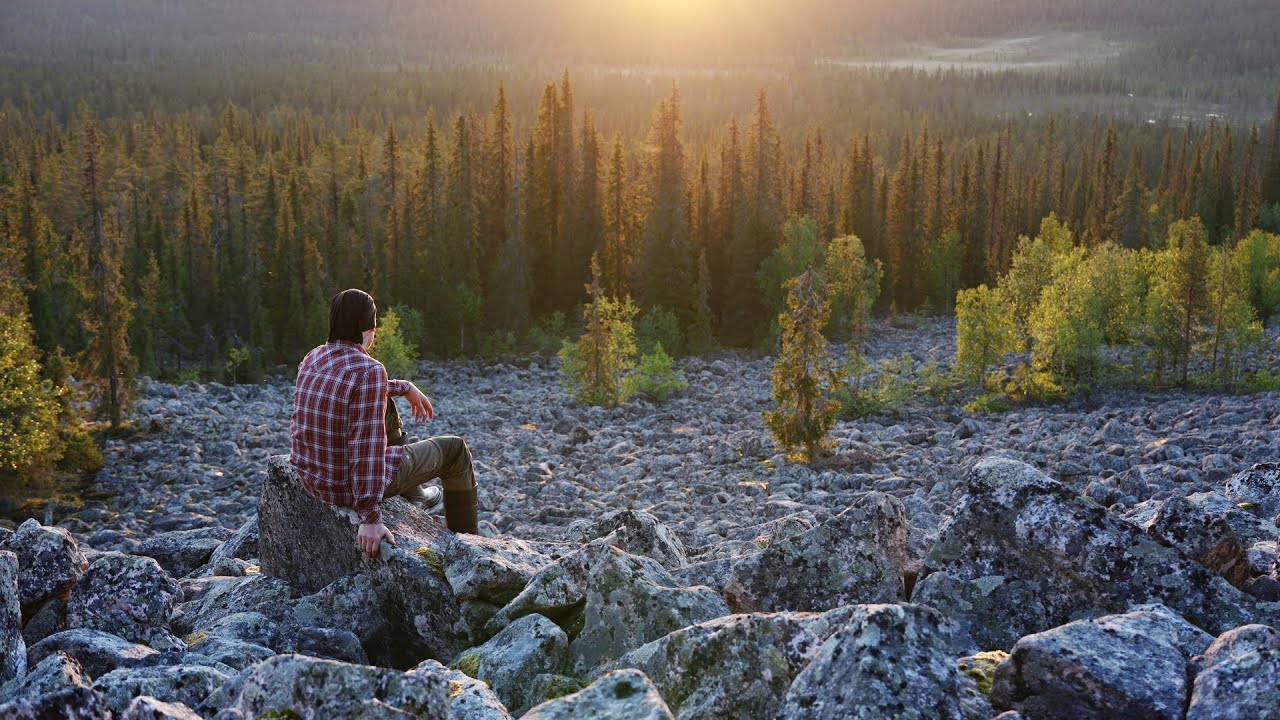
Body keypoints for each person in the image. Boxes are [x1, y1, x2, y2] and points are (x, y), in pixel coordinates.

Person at [290, 289, 479, 558]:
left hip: (313, 478)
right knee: (456, 451)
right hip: (346, 486)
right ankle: (470, 550)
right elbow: (365, 448)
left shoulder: (314, 357)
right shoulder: (369, 370)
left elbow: (354, 389)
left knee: (385, 402)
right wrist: (370, 518)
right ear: (367, 328)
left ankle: (415, 496)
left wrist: (404, 387)